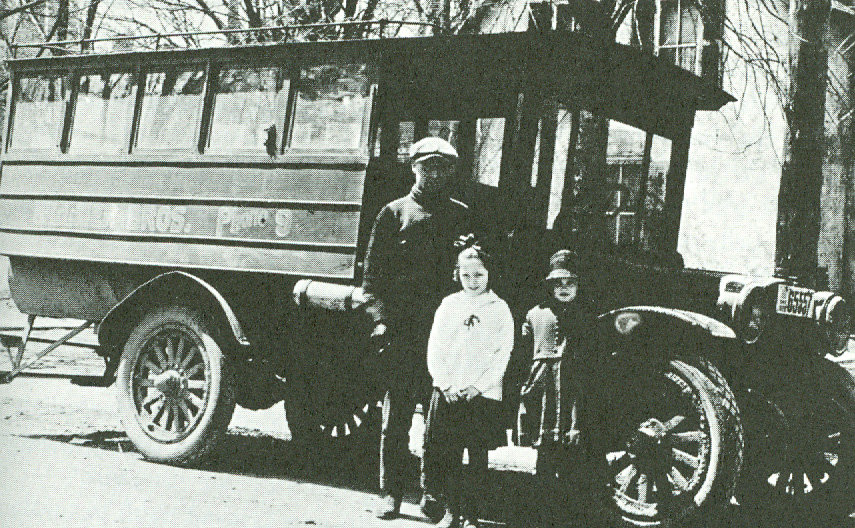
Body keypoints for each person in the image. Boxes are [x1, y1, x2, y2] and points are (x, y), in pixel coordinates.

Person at [362, 136, 471, 519]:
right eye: (427, 167)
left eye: (442, 168)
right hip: (403, 333)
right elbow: (372, 278)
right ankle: (390, 493)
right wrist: (380, 323)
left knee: (439, 421)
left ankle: (432, 494)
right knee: (397, 418)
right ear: (414, 169)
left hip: (445, 336)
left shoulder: (462, 216)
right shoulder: (394, 213)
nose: (435, 174)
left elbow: (476, 274)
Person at [422, 244, 514, 528]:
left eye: (479, 275)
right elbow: (435, 348)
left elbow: (503, 353)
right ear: (457, 275)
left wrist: (479, 386)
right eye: (466, 275)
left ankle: (473, 515)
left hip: (480, 395)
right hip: (449, 392)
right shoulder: (449, 305)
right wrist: (444, 384)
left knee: (476, 456)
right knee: (447, 453)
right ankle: (451, 512)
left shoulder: (499, 309)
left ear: (489, 275)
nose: (473, 281)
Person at [518, 249, 597, 527]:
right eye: (558, 283)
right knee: (545, 456)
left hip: (573, 390)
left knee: (572, 457)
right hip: (543, 391)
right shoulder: (535, 314)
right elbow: (524, 356)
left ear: (579, 286)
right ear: (549, 286)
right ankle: (541, 513)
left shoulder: (587, 316)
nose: (564, 289)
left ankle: (568, 515)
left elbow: (590, 360)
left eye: (570, 283)